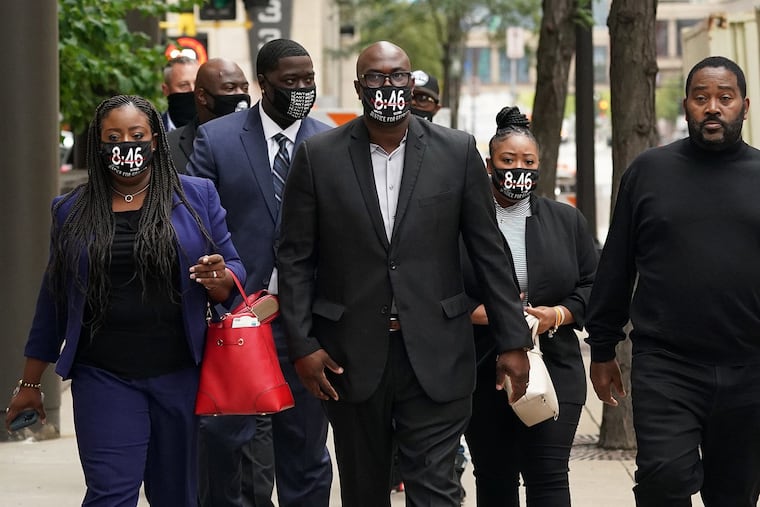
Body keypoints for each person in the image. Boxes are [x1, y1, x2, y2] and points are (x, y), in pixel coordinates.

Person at [276, 40, 532, 507]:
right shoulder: (319, 156)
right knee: (363, 490)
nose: (388, 85)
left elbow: (488, 251)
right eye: (375, 77)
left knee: (437, 491)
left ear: (411, 85)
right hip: (348, 356)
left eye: (398, 76)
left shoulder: (456, 151)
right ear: (359, 87)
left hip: (437, 353)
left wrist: (512, 340)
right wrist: (303, 345)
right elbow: (294, 258)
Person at [3, 94, 243, 506]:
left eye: (136, 135)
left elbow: (234, 271)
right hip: (103, 375)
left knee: (177, 495)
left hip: (181, 373)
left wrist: (219, 278)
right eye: (113, 137)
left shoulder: (194, 196)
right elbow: (54, 300)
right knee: (110, 494)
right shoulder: (70, 210)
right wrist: (29, 382)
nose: (125, 145)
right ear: (99, 145)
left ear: (154, 141)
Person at [585, 55, 760, 507]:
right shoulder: (649, 172)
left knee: (735, 494)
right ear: (686, 106)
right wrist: (602, 348)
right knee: (664, 478)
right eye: (701, 98)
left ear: (745, 105)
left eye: (725, 98)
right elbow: (617, 264)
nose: (713, 107)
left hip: (750, 367)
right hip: (668, 364)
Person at [186, 39, 333, 507]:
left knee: (307, 453)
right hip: (238, 321)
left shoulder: (331, 141)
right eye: (291, 81)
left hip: (307, 326)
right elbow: (194, 219)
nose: (302, 89)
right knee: (229, 449)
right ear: (263, 84)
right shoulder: (219, 138)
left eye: (308, 80)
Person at [462, 106, 598, 506]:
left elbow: (593, 286)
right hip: (482, 370)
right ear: (489, 165)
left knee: (549, 475)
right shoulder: (464, 223)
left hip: (554, 366)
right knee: (494, 476)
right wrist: (497, 316)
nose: (518, 169)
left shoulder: (566, 221)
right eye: (508, 161)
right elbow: (441, 293)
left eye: (528, 162)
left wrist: (556, 315)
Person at [167, 57, 276, 507]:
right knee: (208, 434)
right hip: (195, 312)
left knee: (257, 425)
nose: (237, 96)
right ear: (201, 97)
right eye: (224, 88)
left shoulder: (259, 141)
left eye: (240, 86)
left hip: (253, 308)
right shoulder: (171, 148)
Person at [162, 55, 200, 132]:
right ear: (166, 90)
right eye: (184, 85)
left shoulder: (214, 130)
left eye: (197, 84)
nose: (192, 90)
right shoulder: (153, 131)